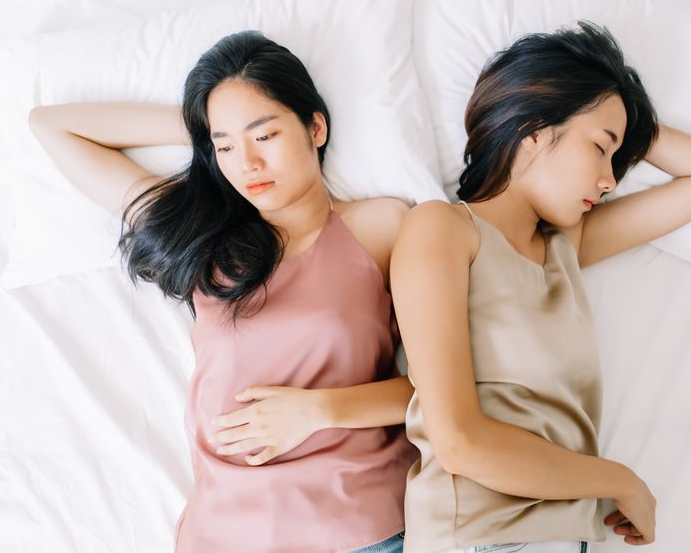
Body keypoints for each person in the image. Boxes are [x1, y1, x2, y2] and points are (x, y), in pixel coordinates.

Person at [28, 30, 417, 553]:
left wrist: (317, 411)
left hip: (360, 526)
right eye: (226, 145)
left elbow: (447, 389)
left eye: (265, 135)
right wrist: (202, 121)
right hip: (225, 534)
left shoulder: (384, 227)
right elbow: (52, 126)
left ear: (315, 126)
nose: (247, 164)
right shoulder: (203, 241)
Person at [390, 21, 691, 553]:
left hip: (567, 537)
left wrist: (625, 117)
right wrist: (619, 480)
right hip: (476, 537)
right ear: (534, 131)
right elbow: (460, 443)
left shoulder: (564, 250)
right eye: (602, 149)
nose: (610, 179)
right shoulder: (441, 229)